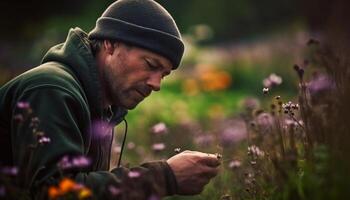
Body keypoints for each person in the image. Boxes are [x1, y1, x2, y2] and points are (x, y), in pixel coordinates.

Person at [0, 0, 220, 199]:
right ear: (111, 44)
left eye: (163, 74)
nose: (157, 84)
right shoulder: (51, 89)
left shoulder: (102, 107)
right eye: (151, 65)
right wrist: (165, 176)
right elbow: (53, 191)